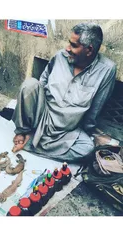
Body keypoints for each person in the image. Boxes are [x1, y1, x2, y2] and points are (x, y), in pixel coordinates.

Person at [12, 22, 116, 162]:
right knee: (30, 84)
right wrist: (22, 128)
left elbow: (95, 109)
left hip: (67, 130)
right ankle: (26, 133)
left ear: (89, 50)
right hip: (42, 116)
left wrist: (88, 132)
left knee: (87, 149)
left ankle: (30, 142)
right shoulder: (60, 56)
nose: (67, 48)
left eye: (73, 45)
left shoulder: (106, 70)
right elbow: (41, 84)